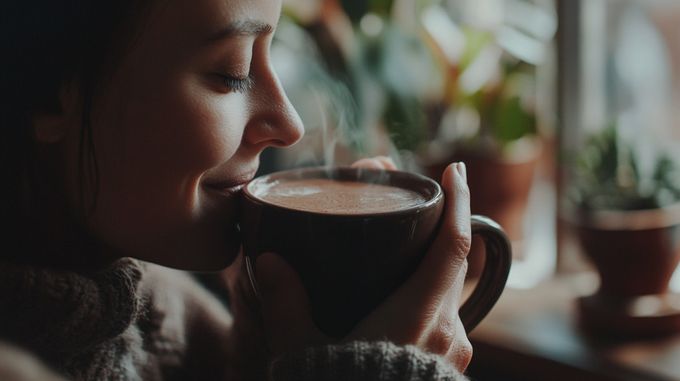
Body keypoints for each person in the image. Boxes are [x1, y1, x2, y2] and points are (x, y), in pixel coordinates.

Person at [0, 0, 474, 380]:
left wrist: (267, 358)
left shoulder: (180, 327)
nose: (289, 125)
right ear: (45, 88)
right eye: (231, 71)